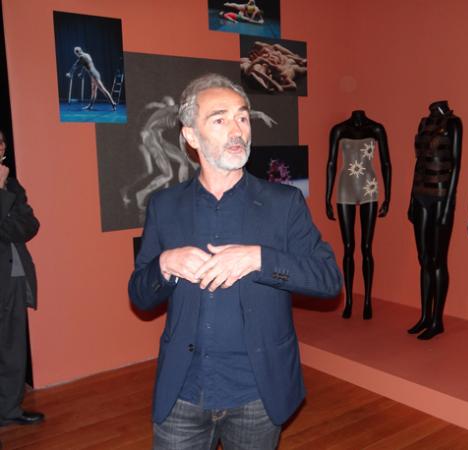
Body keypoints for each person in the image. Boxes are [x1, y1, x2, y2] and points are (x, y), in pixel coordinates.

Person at [128, 74, 341, 449]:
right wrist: (165, 263)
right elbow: (140, 295)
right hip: (183, 391)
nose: (237, 129)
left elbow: (328, 279)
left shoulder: (284, 203)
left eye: (242, 117)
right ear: (191, 136)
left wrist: (259, 258)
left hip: (257, 393)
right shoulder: (165, 206)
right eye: (220, 119)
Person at [326, 110, 391, 320]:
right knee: (348, 247)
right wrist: (327, 197)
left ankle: (367, 300)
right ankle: (349, 301)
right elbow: (331, 163)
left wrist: (388, 197)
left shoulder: (376, 129)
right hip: (345, 188)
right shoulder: (339, 129)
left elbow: (386, 164)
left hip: (369, 189)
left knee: (366, 247)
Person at [407, 101, 462, 340]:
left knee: (438, 259)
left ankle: (437, 320)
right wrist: (411, 199)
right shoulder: (424, 123)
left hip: (440, 195)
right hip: (420, 194)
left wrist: (449, 205)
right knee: (424, 259)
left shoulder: (454, 123)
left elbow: (456, 166)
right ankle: (425, 316)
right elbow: (418, 162)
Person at [0, 130, 43, 427]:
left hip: (14, 275)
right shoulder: (5, 185)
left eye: (1, 142)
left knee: (13, 347)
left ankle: (10, 409)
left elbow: (30, 224)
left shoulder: (12, 184)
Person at [66, 46, 117, 111]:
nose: (76, 54)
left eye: (75, 53)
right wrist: (82, 73)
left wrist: (70, 73)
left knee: (103, 90)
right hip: (94, 74)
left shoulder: (81, 57)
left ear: (77, 52)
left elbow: (74, 66)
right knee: (93, 91)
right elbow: (85, 65)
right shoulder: (87, 55)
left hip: (94, 75)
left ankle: (113, 103)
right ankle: (90, 106)